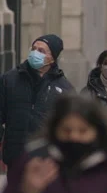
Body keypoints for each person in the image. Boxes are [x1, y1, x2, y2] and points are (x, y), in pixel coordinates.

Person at [0, 94, 107, 193]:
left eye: (83, 131)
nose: (74, 137)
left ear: (97, 132)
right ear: (55, 129)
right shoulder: (35, 159)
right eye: (66, 130)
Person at [0, 34, 74, 175]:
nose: (35, 53)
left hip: (47, 161)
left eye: (41, 51)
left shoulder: (64, 89)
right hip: (15, 158)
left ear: (52, 58)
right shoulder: (9, 80)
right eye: (34, 48)